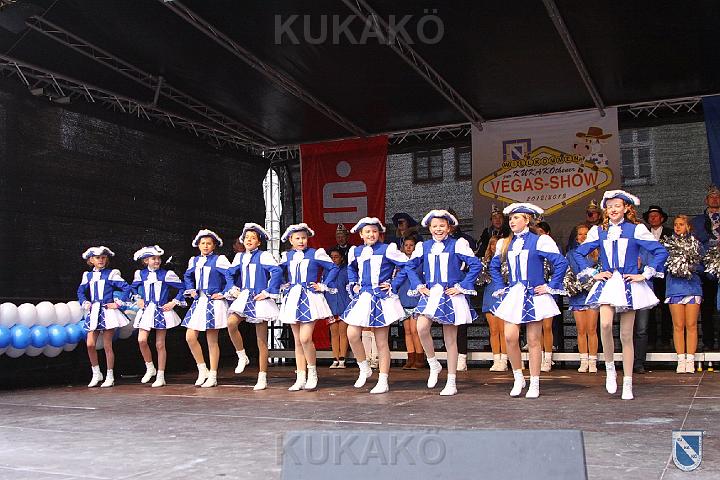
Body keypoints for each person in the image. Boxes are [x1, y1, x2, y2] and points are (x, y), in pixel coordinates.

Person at [573, 190, 668, 400]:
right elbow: (578, 253)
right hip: (608, 283)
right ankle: (610, 369)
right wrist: (593, 273)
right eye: (609, 206)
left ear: (626, 208)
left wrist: (645, 274)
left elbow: (660, 251)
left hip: (628, 283)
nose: (613, 209)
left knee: (626, 335)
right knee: (605, 324)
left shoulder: (636, 229)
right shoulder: (599, 231)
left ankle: (628, 382)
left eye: (617, 205)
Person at [490, 203, 568, 399]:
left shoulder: (540, 240)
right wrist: (500, 286)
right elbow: (493, 267)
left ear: (527, 220)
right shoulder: (504, 243)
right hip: (514, 293)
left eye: (516, 218)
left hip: (534, 294)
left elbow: (561, 262)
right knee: (510, 336)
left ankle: (534, 382)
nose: (512, 221)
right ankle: (518, 377)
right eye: (510, 218)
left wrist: (550, 285)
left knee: (533, 340)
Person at [405, 210, 482, 395]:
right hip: (431, 293)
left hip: (450, 293)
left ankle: (451, 381)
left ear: (449, 228)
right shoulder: (424, 246)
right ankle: (433, 363)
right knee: (421, 327)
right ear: (429, 228)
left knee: (450, 339)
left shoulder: (457, 244)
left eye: (442, 226)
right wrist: (419, 285)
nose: (438, 229)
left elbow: (476, 265)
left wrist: (462, 286)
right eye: (435, 226)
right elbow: (409, 266)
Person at [342, 217, 408, 394]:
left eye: (374, 231)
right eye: (367, 232)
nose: (371, 234)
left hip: (381, 297)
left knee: (381, 341)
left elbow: (406, 266)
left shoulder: (387, 249)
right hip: (363, 296)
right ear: (361, 234)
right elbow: (351, 268)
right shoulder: (356, 251)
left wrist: (393, 284)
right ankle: (364, 367)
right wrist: (353, 284)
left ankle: (383, 379)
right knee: (352, 333)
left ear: (379, 233)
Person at [278, 223, 338, 391]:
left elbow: (333, 267)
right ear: (291, 240)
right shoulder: (287, 256)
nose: (301, 241)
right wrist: (282, 285)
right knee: (298, 341)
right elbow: (277, 272)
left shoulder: (315, 253)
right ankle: (300, 377)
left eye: (303, 238)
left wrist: (323, 285)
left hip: (310, 297)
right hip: (292, 297)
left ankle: (312, 372)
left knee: (305, 338)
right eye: (297, 238)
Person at [224, 223, 282, 390]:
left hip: (259, 298)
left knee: (261, 340)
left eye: (253, 238)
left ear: (259, 242)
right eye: (247, 238)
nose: (249, 240)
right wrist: (232, 287)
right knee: (231, 323)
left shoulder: (264, 256)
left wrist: (268, 291)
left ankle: (262, 376)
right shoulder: (240, 257)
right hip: (244, 296)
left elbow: (277, 272)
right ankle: (242, 355)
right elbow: (229, 273)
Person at [130, 245, 185, 387]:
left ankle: (161, 376)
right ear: (146, 261)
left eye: (158, 258)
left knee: (160, 344)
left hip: (161, 310)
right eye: (153, 258)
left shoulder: (166, 274)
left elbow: (182, 287)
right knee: (141, 340)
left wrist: (173, 302)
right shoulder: (141, 274)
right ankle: (150, 367)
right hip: (146, 310)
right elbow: (133, 288)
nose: (157, 261)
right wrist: (138, 298)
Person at [182, 229, 230, 388]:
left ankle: (213, 375)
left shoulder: (219, 260)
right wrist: (191, 289)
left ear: (214, 245)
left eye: (209, 243)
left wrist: (224, 293)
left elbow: (230, 276)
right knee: (190, 337)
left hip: (213, 302)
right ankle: (203, 369)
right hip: (199, 301)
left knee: (212, 340)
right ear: (198, 245)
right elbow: (188, 276)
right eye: (203, 243)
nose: (205, 246)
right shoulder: (194, 260)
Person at [78, 246, 131, 388]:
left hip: (108, 312)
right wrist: (85, 302)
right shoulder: (88, 276)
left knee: (108, 345)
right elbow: (80, 292)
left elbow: (126, 287)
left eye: (103, 257)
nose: (101, 260)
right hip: (94, 311)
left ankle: (110, 375)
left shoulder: (111, 274)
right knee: (90, 344)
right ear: (91, 260)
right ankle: (96, 373)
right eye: (97, 258)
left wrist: (118, 303)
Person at [664, 215, 703, 374]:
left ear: (688, 227)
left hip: (692, 287)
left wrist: (690, 266)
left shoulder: (696, 244)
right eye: (675, 224)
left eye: (681, 224)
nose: (678, 227)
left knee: (691, 325)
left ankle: (690, 360)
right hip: (674, 288)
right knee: (678, 325)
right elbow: (662, 265)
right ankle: (681, 360)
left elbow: (703, 266)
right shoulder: (668, 245)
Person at [446, 208, 478, 371]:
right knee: (446, 322)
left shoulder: (463, 240)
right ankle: (448, 356)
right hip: (444, 288)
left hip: (459, 285)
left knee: (461, 323)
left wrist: (463, 285)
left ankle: (462, 357)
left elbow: (474, 264)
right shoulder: (435, 244)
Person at [691, 185, 720, 359]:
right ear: (706, 200)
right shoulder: (697, 222)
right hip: (706, 269)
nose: (715, 199)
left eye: (717, 197)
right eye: (712, 197)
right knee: (707, 306)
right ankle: (708, 341)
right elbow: (694, 244)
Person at [566, 225, 600, 373]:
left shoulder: (597, 252)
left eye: (586, 234)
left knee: (592, 329)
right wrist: (576, 285)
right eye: (580, 234)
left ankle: (593, 361)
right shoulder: (571, 254)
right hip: (578, 295)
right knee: (581, 330)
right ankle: (583, 360)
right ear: (576, 237)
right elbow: (569, 273)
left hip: (592, 294)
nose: (583, 236)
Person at [643, 205, 673, 350]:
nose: (653, 218)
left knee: (666, 308)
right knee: (650, 308)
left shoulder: (670, 233)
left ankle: (666, 340)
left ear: (662, 218)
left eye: (656, 216)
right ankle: (651, 341)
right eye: (650, 216)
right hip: (649, 278)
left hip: (666, 276)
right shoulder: (643, 234)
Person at [535, 221, 560, 372]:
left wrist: (550, 286)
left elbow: (559, 268)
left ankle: (548, 358)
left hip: (548, 291)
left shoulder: (552, 249)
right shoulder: (533, 249)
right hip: (535, 292)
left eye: (541, 233)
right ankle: (539, 356)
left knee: (547, 326)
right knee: (536, 327)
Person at [396, 237, 424, 370]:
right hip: (403, 298)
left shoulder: (419, 262)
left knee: (415, 330)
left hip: (416, 299)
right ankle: (410, 358)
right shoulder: (399, 263)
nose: (408, 247)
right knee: (407, 331)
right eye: (406, 245)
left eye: (411, 245)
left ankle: (420, 357)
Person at [481, 236, 507, 371]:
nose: (494, 247)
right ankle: (496, 360)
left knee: (504, 330)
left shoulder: (507, 260)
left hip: (503, 294)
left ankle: (504, 360)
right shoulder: (485, 262)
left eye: (497, 244)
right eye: (492, 244)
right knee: (493, 330)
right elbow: (479, 280)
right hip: (489, 295)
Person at [324, 247, 350, 368]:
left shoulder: (347, 270)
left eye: (336, 257)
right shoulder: (326, 271)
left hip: (344, 305)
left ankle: (342, 359)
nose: (334, 259)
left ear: (342, 258)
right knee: (333, 332)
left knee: (343, 332)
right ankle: (335, 358)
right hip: (330, 306)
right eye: (332, 257)